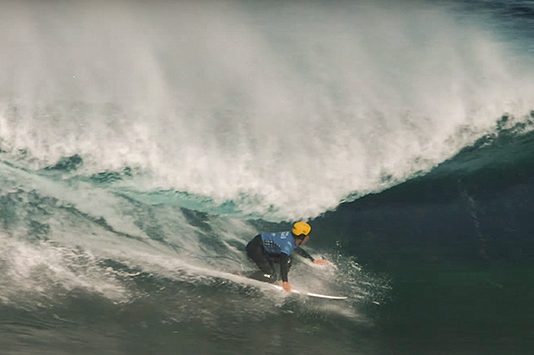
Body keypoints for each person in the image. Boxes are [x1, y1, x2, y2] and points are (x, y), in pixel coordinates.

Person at [245, 221, 329, 292]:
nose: (308, 237)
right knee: (271, 276)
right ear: (302, 237)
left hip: (263, 247)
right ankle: (243, 275)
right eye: (307, 236)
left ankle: (280, 280)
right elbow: (283, 261)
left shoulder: (292, 237)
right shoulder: (287, 244)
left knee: (289, 259)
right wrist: (286, 282)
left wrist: (313, 260)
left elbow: (296, 248)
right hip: (255, 249)